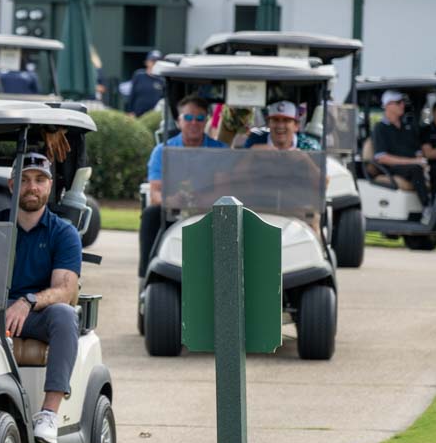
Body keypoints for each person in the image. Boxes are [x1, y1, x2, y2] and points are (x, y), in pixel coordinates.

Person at [0, 153, 83, 443]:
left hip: (36, 313)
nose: (31, 187)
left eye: (39, 180)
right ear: (12, 185)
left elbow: (66, 289)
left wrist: (29, 301)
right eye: (23, 180)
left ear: (49, 186)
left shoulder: (63, 232)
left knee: (65, 314)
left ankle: (48, 413)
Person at [139, 94, 226, 275]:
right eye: (188, 117)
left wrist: (201, 200)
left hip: (211, 209)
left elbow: (223, 189)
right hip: (174, 209)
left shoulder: (220, 150)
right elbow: (156, 192)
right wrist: (173, 201)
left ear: (206, 121)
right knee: (150, 215)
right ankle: (146, 274)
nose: (194, 122)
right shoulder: (162, 150)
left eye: (200, 118)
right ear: (179, 121)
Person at [368, 90, 430, 199]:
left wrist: (421, 161)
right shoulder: (380, 128)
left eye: (402, 102)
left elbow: (417, 151)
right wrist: (413, 162)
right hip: (392, 168)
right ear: (388, 105)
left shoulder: (408, 127)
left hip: (412, 167)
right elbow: (382, 158)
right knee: (415, 169)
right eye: (398, 102)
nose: (402, 105)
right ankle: (427, 207)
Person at [241, 100, 320, 151]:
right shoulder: (255, 141)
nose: (280, 125)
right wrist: (250, 154)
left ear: (296, 126)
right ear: (268, 124)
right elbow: (234, 175)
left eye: (286, 120)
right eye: (275, 120)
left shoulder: (309, 145)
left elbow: (325, 176)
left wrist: (304, 159)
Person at [122, 51, 164, 117]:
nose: (154, 63)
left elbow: (163, 100)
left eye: (157, 61)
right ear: (147, 62)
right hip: (137, 115)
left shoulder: (162, 79)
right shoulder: (139, 75)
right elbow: (132, 95)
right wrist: (130, 111)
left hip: (154, 117)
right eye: (152, 61)